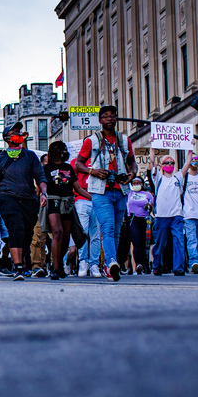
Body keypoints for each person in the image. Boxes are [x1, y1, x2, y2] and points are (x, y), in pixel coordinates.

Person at [75, 104, 137, 281]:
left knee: (116, 231)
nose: (110, 119)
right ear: (100, 120)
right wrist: (92, 171)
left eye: (113, 116)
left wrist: (132, 174)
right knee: (108, 228)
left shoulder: (125, 140)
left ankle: (109, 264)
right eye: (106, 116)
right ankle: (111, 261)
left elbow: (132, 162)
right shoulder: (92, 140)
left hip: (121, 189)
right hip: (100, 191)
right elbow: (78, 164)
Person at [0, 122, 47, 280]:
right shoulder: (0, 159)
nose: (18, 134)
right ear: (7, 138)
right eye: (14, 132)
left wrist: (43, 193)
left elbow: (40, 177)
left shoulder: (30, 156)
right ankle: (18, 267)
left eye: (19, 132)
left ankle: (23, 264)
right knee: (16, 231)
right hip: (8, 199)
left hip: (29, 200)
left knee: (27, 234)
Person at [42, 141, 85, 280]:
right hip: (53, 200)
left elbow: (77, 188)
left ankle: (59, 263)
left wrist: (93, 197)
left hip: (67, 202)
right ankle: (54, 268)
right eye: (62, 149)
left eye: (65, 149)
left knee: (66, 237)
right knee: (57, 232)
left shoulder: (68, 167)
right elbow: (40, 187)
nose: (64, 152)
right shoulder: (46, 168)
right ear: (55, 151)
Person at [149, 151, 185, 276]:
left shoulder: (178, 177)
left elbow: (187, 165)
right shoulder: (158, 177)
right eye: (167, 162)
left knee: (179, 240)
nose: (170, 164)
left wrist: (190, 150)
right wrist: (152, 147)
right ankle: (157, 265)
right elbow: (151, 163)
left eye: (172, 162)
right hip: (161, 216)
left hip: (176, 214)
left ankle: (179, 268)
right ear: (162, 165)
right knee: (160, 243)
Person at [126, 175, 154, 274]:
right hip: (133, 219)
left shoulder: (147, 194)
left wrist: (150, 206)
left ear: (142, 184)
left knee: (145, 244)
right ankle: (138, 264)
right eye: (134, 183)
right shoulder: (129, 194)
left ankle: (146, 264)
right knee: (136, 241)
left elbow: (153, 206)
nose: (136, 185)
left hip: (145, 220)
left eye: (138, 183)